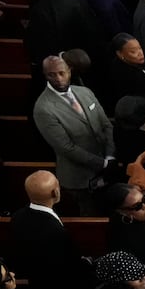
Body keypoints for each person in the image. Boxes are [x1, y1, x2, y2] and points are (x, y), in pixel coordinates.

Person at [33, 54, 115, 215]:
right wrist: (104, 164)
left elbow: (106, 125)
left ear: (70, 71)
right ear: (45, 75)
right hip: (80, 180)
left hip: (106, 169)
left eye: (61, 72)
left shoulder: (84, 91)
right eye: (52, 74)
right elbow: (66, 148)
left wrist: (110, 156)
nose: (58, 78)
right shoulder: (43, 108)